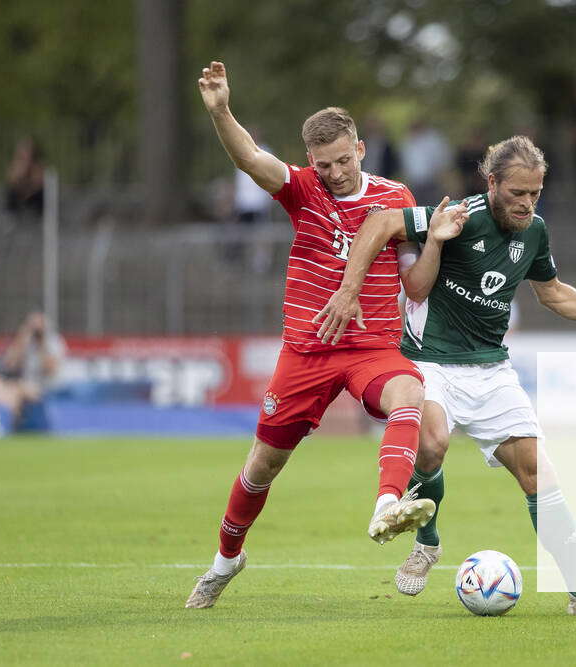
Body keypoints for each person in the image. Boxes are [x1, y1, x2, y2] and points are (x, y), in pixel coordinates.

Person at [315, 136, 576, 616]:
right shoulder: (461, 216)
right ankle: (428, 541)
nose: (527, 203)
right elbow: (379, 222)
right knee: (432, 441)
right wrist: (352, 288)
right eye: (517, 193)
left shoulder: (535, 231)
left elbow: (554, 293)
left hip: (492, 370)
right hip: (430, 360)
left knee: (538, 473)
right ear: (492, 183)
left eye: (535, 193)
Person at [186, 61, 439, 609]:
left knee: (409, 393)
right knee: (262, 465)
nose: (337, 172)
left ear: (361, 149)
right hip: (308, 350)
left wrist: (436, 245)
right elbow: (250, 159)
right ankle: (226, 559)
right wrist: (222, 110)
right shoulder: (302, 189)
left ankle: (387, 506)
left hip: (371, 348)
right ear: (311, 160)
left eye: (345, 160)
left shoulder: (397, 196)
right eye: (325, 164)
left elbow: (414, 278)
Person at [0, 311, 66, 427]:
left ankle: (9, 424)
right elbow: (9, 364)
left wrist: (42, 345)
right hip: (23, 383)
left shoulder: (54, 342)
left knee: (18, 390)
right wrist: (21, 339)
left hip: (46, 386)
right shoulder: (25, 341)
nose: (35, 330)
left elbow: (50, 369)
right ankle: (3, 420)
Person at [4, 137, 45, 221]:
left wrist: (28, 189)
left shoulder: (38, 166)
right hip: (20, 196)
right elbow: (13, 181)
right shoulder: (16, 165)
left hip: (33, 197)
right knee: (11, 193)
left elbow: (38, 183)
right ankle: (10, 215)